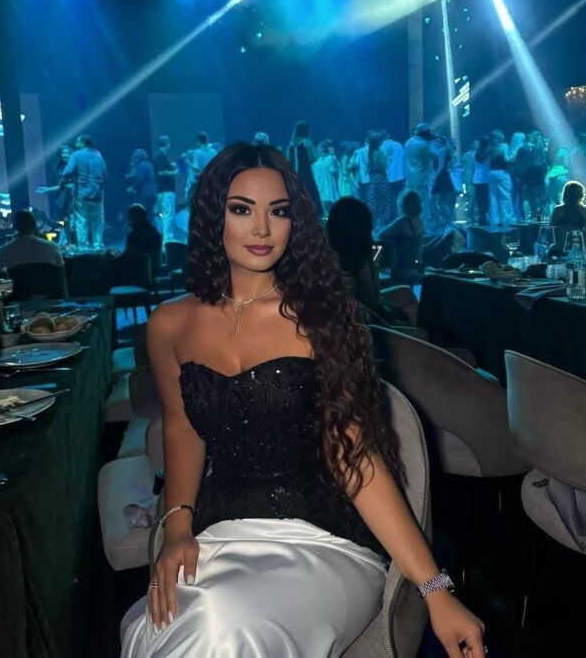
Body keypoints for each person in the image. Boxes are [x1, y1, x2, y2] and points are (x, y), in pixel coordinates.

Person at [121, 143, 485, 658]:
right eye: (242, 209)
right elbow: (181, 426)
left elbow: (357, 460)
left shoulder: (321, 319)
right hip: (221, 533)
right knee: (163, 627)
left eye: (278, 211)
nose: (262, 229)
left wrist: (435, 590)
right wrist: (177, 526)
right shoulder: (169, 325)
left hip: (324, 542)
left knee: (220, 626)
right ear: (211, 216)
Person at [326, 197, 408, 327]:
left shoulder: (326, 255)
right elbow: (373, 302)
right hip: (367, 324)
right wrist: (374, 267)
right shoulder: (358, 261)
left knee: (405, 293)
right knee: (408, 303)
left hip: (341, 320)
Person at [63, 134, 107, 249]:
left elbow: (67, 173)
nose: (75, 143)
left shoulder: (76, 155)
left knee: (81, 221)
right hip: (98, 194)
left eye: (77, 141)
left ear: (83, 143)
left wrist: (65, 179)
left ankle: (84, 248)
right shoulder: (99, 157)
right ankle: (98, 246)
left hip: (81, 194)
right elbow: (105, 176)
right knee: (97, 222)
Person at [378, 188, 425, 283]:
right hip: (415, 267)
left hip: (402, 269)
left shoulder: (403, 221)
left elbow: (381, 235)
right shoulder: (420, 220)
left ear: (403, 204)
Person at [0, 210, 64, 269]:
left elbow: (2, 273)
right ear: (35, 225)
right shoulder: (53, 247)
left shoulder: (4, 251)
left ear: (15, 227)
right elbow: (60, 272)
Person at [36, 145, 75, 244]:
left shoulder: (75, 166)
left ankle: (77, 242)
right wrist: (47, 189)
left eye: (67, 153)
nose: (65, 155)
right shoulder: (58, 168)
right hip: (62, 197)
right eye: (63, 153)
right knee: (65, 220)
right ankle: (69, 242)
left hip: (74, 195)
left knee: (76, 220)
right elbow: (60, 186)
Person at [287, 120, 323, 216]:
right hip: (306, 173)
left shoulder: (291, 144)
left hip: (294, 174)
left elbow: (289, 160)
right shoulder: (307, 142)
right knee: (310, 193)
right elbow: (313, 158)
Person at [404, 123, 435, 227]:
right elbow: (435, 156)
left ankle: (411, 225)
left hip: (410, 178)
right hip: (422, 178)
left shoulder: (408, 142)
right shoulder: (424, 144)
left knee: (411, 203)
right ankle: (423, 227)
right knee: (423, 204)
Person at [550, 180, 586, 252]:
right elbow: (552, 231)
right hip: (561, 246)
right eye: (579, 193)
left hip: (578, 245)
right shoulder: (559, 210)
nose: (582, 195)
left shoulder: (584, 210)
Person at [125, 203, 163, 277]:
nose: (128, 220)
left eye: (130, 217)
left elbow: (127, 257)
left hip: (135, 274)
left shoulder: (134, 235)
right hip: (153, 273)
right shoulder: (155, 232)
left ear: (137, 217)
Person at [153, 136, 178, 243]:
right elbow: (161, 172)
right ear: (167, 143)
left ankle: (165, 237)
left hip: (163, 190)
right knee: (168, 213)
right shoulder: (160, 155)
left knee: (164, 213)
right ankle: (167, 238)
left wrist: (171, 166)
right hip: (166, 190)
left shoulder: (159, 155)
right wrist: (174, 173)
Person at [488, 129, 514, 226]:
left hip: (491, 172)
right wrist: (514, 154)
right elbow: (507, 159)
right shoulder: (503, 146)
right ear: (499, 137)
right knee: (505, 196)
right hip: (502, 172)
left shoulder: (489, 148)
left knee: (492, 197)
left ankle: (494, 220)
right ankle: (507, 219)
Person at [367, 131, 392, 231]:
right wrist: (388, 160)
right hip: (381, 178)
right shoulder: (380, 153)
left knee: (374, 201)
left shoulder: (369, 153)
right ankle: (381, 225)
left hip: (373, 179)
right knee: (384, 201)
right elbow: (383, 167)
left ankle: (375, 225)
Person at [381, 132, 405, 223]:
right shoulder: (398, 145)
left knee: (389, 199)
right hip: (399, 176)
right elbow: (403, 158)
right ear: (389, 136)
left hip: (387, 177)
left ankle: (390, 219)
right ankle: (400, 216)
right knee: (400, 198)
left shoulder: (381, 147)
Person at [126, 149, 157, 220]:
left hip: (144, 194)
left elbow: (139, 180)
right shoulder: (150, 165)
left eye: (134, 157)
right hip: (153, 193)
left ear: (138, 158)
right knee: (149, 215)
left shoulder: (141, 166)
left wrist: (132, 188)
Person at [312, 140, 340, 213]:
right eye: (320, 148)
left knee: (328, 203)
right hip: (321, 184)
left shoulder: (328, 158)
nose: (321, 150)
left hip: (326, 184)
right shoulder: (317, 162)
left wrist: (333, 156)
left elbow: (334, 169)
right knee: (325, 204)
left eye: (322, 148)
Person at [473, 137, 491, 226]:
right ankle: (485, 218)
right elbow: (489, 164)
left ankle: (481, 218)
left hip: (477, 179)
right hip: (485, 179)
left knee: (480, 200)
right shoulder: (487, 154)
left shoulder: (475, 153)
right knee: (486, 200)